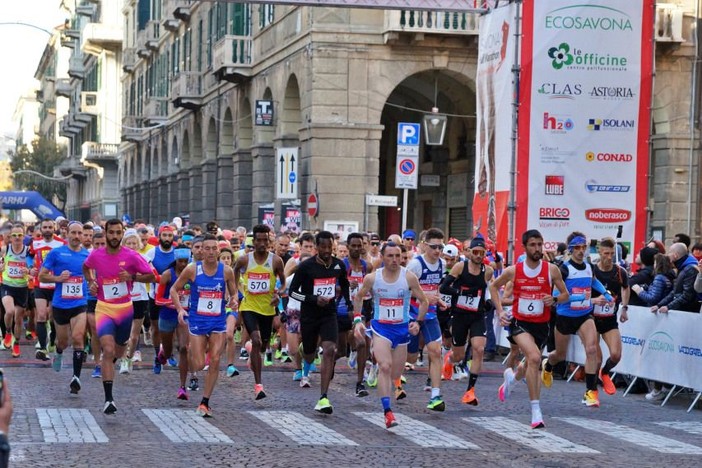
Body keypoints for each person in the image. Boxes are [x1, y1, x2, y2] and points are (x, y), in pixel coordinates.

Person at [490, 229, 569, 428]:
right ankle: (536, 412)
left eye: (539, 244)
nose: (537, 249)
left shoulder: (551, 270)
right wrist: (500, 311)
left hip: (542, 324)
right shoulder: (514, 270)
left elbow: (565, 295)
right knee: (534, 358)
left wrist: (555, 299)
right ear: (525, 247)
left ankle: (511, 379)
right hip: (520, 323)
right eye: (532, 245)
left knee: (528, 364)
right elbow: (493, 287)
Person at [82, 219, 155, 414]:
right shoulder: (96, 255)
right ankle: (109, 399)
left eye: (118, 233)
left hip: (125, 309)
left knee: (119, 351)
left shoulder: (131, 256)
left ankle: (112, 363)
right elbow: (85, 267)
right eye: (111, 232)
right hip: (104, 308)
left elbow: (151, 276)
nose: (115, 236)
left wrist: (132, 277)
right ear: (105, 233)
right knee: (107, 349)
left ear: (122, 233)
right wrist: (91, 282)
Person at [353, 242, 427, 428]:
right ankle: (388, 412)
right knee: (385, 367)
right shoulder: (372, 278)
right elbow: (359, 296)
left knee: (395, 373)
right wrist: (357, 320)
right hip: (381, 328)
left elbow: (424, 301)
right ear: (383, 257)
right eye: (390, 256)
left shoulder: (408, 277)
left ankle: (379, 370)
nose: (394, 260)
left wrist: (417, 322)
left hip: (402, 330)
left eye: (398, 256)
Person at [541, 232, 613, 408]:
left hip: (584, 315)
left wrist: (604, 292)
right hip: (566, 315)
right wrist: (585, 299)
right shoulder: (564, 269)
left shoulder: (589, 266)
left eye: (583, 247)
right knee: (560, 355)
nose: (581, 251)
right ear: (571, 250)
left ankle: (590, 392)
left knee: (591, 350)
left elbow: (593, 282)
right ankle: (548, 364)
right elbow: (557, 295)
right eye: (577, 248)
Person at [172, 234, 238, 417]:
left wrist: (233, 301)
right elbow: (173, 289)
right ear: (201, 251)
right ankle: (192, 354)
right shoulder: (192, 269)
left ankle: (205, 402)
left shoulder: (226, 271)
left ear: (218, 250)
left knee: (216, 359)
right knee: (200, 364)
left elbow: (234, 293)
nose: (210, 252)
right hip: (197, 321)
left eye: (213, 248)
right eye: (206, 248)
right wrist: (179, 309)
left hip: (217, 321)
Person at [289, 231, 352, 414]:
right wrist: (312, 299)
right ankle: (304, 352)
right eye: (322, 247)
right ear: (316, 247)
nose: (326, 251)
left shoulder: (338, 266)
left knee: (330, 350)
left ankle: (323, 397)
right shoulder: (306, 267)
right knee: (309, 355)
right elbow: (293, 292)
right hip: (309, 315)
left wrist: (347, 304)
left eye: (329, 247)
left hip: (329, 314)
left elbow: (345, 285)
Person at [233, 224, 286, 400]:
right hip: (249, 307)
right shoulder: (244, 260)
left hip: (268, 309)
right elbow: (233, 275)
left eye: (265, 240)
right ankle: (258, 385)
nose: (262, 243)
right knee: (255, 340)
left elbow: (284, 283)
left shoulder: (276, 261)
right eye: (259, 240)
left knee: (263, 345)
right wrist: (235, 294)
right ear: (253, 241)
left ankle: (253, 354)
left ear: (269, 241)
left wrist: (278, 293)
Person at [439, 237, 494, 405]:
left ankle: (470, 391)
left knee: (479, 349)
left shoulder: (488, 271)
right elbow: (444, 288)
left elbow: (488, 289)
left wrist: (488, 301)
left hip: (477, 315)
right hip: (460, 315)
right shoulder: (460, 267)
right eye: (475, 252)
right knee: (459, 355)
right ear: (469, 252)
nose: (478, 255)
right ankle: (450, 360)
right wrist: (461, 293)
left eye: (481, 253)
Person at [38, 221, 90, 394]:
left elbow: (92, 276)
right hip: (60, 304)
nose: (76, 236)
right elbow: (42, 277)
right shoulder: (56, 253)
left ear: (83, 235)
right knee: (63, 341)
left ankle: (76, 378)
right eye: (73, 233)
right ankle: (59, 352)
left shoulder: (87, 255)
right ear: (67, 234)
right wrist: (58, 278)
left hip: (80, 303)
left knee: (77, 337)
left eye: (79, 233)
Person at [405, 228, 447, 411]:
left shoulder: (442, 264)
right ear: (424, 246)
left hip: (430, 315)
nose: (437, 251)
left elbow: (435, 289)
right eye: (433, 247)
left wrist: (439, 299)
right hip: (412, 316)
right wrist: (423, 297)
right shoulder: (415, 265)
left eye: (440, 246)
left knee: (436, 352)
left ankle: (436, 396)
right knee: (411, 358)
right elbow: (403, 289)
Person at [591, 238, 630, 396]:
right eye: (606, 253)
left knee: (616, 355)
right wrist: (591, 301)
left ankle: (605, 372)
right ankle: (592, 391)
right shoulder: (592, 270)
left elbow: (625, 288)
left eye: (612, 254)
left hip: (609, 319)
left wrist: (624, 308)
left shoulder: (620, 271)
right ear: (599, 252)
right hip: (591, 319)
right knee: (596, 358)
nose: (609, 257)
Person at [337, 233, 372, 397]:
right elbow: (332, 287)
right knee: (340, 351)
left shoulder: (367, 266)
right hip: (341, 310)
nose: (357, 248)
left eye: (360, 245)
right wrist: (345, 285)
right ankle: (330, 364)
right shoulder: (340, 265)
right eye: (354, 246)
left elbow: (370, 289)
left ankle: (360, 383)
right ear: (348, 246)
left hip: (359, 310)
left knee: (362, 342)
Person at [154, 247, 193, 400]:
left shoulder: (191, 275)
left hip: (184, 316)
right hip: (167, 315)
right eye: (180, 261)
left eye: (186, 261)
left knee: (184, 348)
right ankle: (164, 352)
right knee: (169, 351)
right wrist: (172, 302)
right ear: (175, 261)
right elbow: (157, 299)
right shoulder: (167, 275)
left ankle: (182, 387)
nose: (183, 264)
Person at [30, 219, 66, 359]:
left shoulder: (61, 243)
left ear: (54, 228)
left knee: (52, 316)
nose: (47, 229)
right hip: (40, 284)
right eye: (45, 227)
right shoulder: (35, 243)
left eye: (50, 227)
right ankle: (43, 347)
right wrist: (31, 269)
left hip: (55, 284)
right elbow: (28, 257)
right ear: (41, 229)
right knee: (41, 315)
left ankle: (51, 342)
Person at [1, 224, 35, 358]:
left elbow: (33, 269)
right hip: (7, 286)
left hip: (22, 288)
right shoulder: (5, 249)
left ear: (24, 236)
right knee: (9, 311)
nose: (16, 238)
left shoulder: (28, 251)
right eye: (14, 235)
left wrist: (29, 271)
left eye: (19, 235)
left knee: (19, 319)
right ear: (10, 237)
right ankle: (8, 332)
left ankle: (16, 343)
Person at [652, 242, 700, 313]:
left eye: (669, 253)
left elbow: (688, 295)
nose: (667, 255)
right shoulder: (683, 267)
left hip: (688, 313)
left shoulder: (690, 269)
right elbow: (675, 291)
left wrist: (668, 307)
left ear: (675, 255)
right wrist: (659, 305)